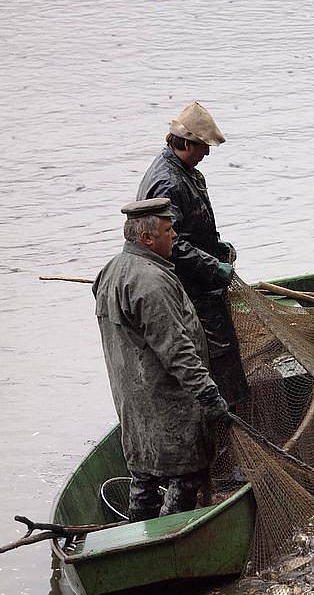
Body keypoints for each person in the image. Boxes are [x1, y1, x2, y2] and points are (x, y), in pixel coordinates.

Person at [93, 198, 229, 523]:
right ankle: (167, 537)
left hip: (130, 397)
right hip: (166, 399)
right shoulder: (151, 282)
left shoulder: (111, 270)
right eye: (169, 230)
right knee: (187, 475)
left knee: (144, 475)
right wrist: (208, 394)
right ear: (147, 239)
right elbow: (177, 349)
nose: (174, 236)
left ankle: (136, 530)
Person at [137, 101, 248, 406]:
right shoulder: (166, 182)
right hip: (189, 288)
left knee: (221, 352)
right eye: (203, 146)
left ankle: (234, 410)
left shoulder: (186, 171)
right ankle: (230, 416)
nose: (207, 153)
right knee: (217, 352)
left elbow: (191, 229)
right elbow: (172, 245)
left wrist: (217, 247)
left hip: (204, 280)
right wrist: (214, 267)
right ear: (185, 143)